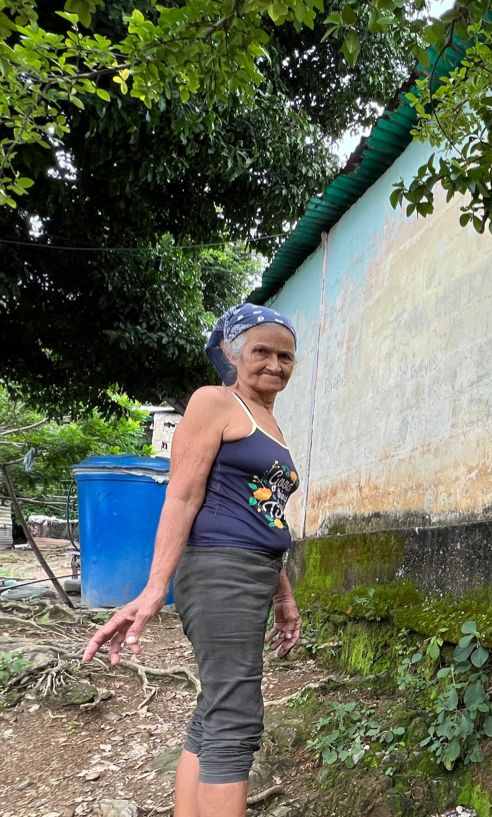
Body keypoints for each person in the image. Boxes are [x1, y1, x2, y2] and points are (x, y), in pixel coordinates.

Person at [83, 304, 303, 817]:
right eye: (262, 352)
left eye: (286, 356)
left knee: (214, 708)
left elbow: (266, 516)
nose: (275, 364)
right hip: (220, 572)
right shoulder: (214, 402)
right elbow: (181, 496)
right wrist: (155, 587)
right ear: (232, 353)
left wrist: (283, 593)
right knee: (237, 719)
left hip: (253, 573)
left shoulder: (268, 421)